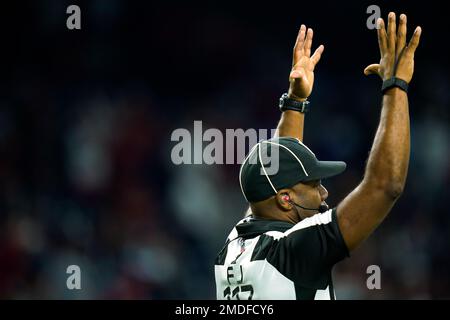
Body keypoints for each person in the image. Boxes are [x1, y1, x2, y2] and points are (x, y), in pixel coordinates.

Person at [214, 12, 422, 300]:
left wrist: (295, 101)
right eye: (313, 185)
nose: (324, 192)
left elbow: (277, 168)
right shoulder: (295, 251)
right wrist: (396, 86)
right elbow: (386, 186)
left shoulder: (234, 244)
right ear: (285, 199)